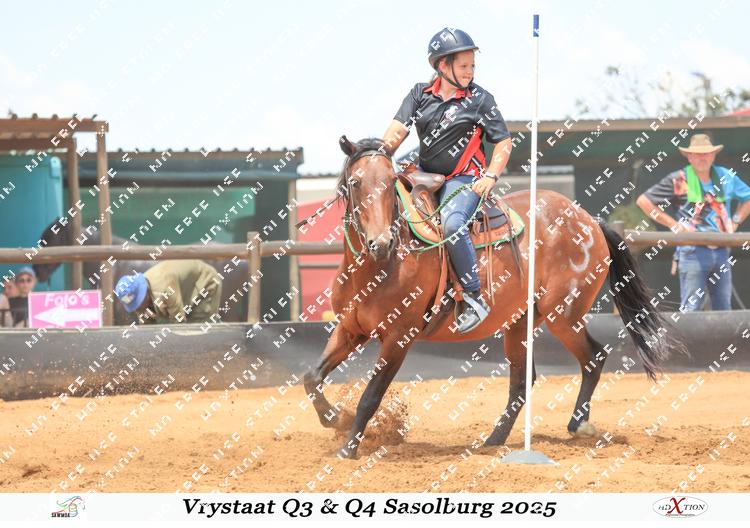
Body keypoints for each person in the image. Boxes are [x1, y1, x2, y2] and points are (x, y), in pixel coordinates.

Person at [382, 27, 513, 334]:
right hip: (423, 176)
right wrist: (377, 155)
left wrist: (490, 176)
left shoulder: (481, 99)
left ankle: (473, 297)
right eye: (464, 66)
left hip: (464, 179)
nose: (470, 72)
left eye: (472, 66)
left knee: (453, 225)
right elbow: (396, 133)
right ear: (443, 65)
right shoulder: (419, 94)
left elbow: (504, 142)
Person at [636, 133, 750, 311]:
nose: (702, 157)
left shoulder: (726, 176)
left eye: (706, 153)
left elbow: (748, 198)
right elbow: (643, 201)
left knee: (724, 310)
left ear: (713, 155)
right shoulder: (679, 179)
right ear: (689, 156)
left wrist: (735, 222)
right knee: (691, 309)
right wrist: (673, 224)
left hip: (722, 250)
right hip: (692, 251)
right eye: (697, 154)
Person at [114, 260, 222, 323]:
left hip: (205, 282)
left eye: (138, 303)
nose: (137, 309)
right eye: (134, 306)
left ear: (143, 293)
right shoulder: (139, 301)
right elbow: (146, 326)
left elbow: (178, 322)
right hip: (184, 293)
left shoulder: (165, 288)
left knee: (199, 328)